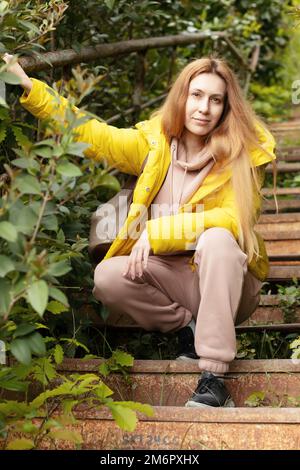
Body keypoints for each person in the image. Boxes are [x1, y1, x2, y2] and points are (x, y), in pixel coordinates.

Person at [2, 52, 276, 408]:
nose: (204, 108)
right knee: (109, 276)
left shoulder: (241, 155)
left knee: (218, 239)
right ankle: (189, 332)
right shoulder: (154, 145)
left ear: (225, 108)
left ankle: (214, 378)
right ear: (182, 97)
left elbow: (235, 219)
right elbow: (92, 132)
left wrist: (158, 232)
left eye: (215, 99)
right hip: (173, 280)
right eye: (196, 95)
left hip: (226, 284)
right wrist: (27, 85)